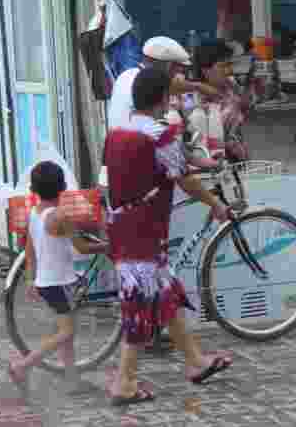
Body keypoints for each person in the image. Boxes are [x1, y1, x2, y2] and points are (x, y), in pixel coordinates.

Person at [103, 68, 233, 406]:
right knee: (141, 303)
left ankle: (195, 361)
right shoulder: (161, 134)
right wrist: (215, 203)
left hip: (120, 225)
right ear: (163, 98)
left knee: (164, 293)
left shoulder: (118, 130)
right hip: (144, 229)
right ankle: (124, 382)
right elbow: (184, 179)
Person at [8, 161, 105, 395]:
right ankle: (23, 366)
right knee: (66, 333)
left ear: (34, 188)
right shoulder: (61, 217)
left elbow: (29, 250)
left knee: (65, 331)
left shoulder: (34, 213)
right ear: (62, 186)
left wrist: (31, 279)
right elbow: (81, 247)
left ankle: (71, 380)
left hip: (46, 282)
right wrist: (107, 247)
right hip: (60, 282)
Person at [107, 36, 218, 131]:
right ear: (168, 67)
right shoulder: (146, 85)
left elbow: (174, 85)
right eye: (175, 71)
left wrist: (198, 86)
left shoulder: (128, 74)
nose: (175, 77)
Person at [187, 39, 253, 162]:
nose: (229, 71)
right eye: (223, 66)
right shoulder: (193, 99)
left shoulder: (231, 86)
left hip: (238, 159)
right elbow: (193, 141)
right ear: (205, 70)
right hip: (208, 162)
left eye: (230, 65)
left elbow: (243, 110)